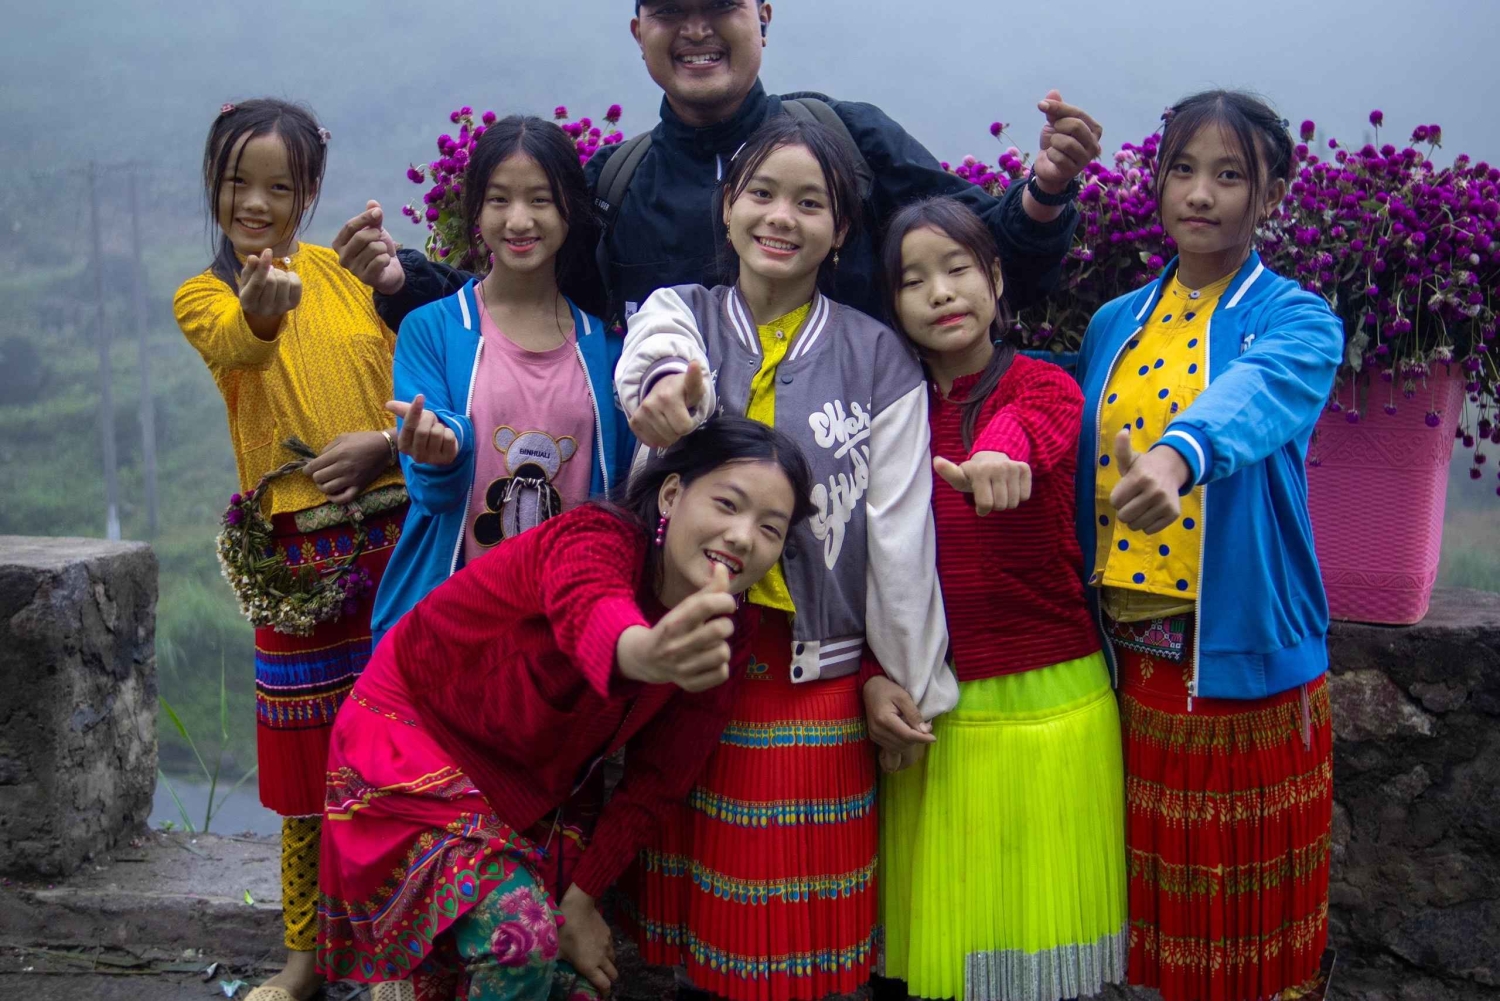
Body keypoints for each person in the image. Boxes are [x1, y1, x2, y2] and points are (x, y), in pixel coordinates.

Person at [612, 114, 951, 1001]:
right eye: (761, 193)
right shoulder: (681, 315)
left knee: (798, 947)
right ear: (727, 206)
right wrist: (662, 395)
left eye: (810, 203)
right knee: (705, 950)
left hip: (813, 682)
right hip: (687, 667)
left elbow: (899, 536)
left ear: (841, 231)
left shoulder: (877, 357)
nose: (780, 218)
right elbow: (652, 361)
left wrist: (900, 676)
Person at [316, 416, 813, 1001]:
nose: (743, 537)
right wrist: (642, 653)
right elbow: (592, 609)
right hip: (414, 739)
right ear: (672, 494)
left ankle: (423, 977)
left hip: (533, 779)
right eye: (727, 504)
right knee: (522, 942)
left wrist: (581, 901)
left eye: (770, 528)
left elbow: (661, 777)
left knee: (578, 988)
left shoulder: (731, 625)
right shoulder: (594, 538)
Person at [332, 0, 1102, 333]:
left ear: (763, 16)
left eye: (720, 7)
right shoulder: (614, 185)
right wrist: (403, 282)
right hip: (679, 527)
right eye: (671, 11)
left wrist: (1045, 190)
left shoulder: (849, 141)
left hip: (863, 503)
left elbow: (988, 262)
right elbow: (524, 312)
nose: (696, 29)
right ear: (638, 31)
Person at [1073, 90, 1342, 1001]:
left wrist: (1179, 454)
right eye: (1182, 170)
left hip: (1241, 660)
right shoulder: (1115, 323)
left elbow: (1253, 396)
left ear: (1271, 195)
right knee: (1160, 920)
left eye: (1230, 175)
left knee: (1250, 923)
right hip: (1133, 659)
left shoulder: (1297, 320)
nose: (1200, 194)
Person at [172, 98, 409, 1001]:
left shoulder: (345, 275)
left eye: (279, 186)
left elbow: (415, 377)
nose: (254, 203)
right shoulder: (206, 294)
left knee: (400, 754)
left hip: (397, 545)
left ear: (308, 192)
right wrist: (262, 314)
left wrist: (384, 442)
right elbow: (238, 344)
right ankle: (307, 957)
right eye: (237, 182)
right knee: (309, 772)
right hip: (296, 569)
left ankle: (395, 955)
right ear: (213, 183)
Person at [875, 195, 1127, 1001]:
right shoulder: (891, 412)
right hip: (933, 704)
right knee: (941, 954)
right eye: (914, 280)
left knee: (1033, 955)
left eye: (958, 269)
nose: (941, 293)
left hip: (1049, 703)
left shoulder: (1045, 385)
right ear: (893, 304)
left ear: (995, 278)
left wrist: (995, 454)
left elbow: (1029, 429)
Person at [369, 115, 633, 645]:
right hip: (453, 631)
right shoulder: (431, 330)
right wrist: (441, 453)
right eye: (498, 200)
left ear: (571, 209)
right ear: (475, 211)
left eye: (540, 200)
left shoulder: (609, 351)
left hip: (566, 634)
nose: (518, 220)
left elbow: (622, 501)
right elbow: (431, 494)